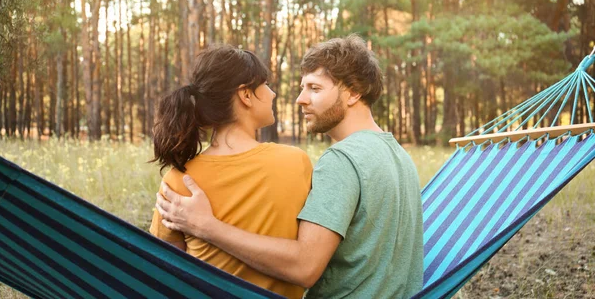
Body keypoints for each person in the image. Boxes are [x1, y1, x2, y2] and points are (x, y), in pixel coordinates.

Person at [156, 35, 425, 298]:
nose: (300, 99)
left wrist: (207, 227)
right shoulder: (399, 155)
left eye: (314, 88)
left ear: (354, 92)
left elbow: (305, 266)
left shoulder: (342, 160)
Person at [149, 44, 312, 299]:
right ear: (245, 95)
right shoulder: (295, 163)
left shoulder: (178, 180)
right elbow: (307, 260)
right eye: (265, 85)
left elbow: (166, 274)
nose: (273, 94)